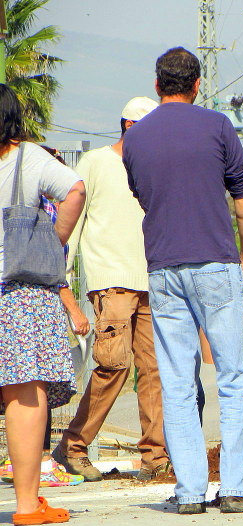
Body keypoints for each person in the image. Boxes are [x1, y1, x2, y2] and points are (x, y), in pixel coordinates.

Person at [124, 46, 243, 515]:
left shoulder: (135, 139)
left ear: (156, 83)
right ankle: (237, 488)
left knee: (177, 381)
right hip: (215, 261)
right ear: (197, 85)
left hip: (164, 266)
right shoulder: (219, 126)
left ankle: (189, 491)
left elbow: (146, 198)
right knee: (232, 376)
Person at [52, 97, 170, 483]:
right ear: (130, 126)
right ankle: (73, 446)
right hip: (112, 279)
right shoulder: (96, 163)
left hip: (152, 279)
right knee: (113, 365)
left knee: (153, 371)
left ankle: (155, 456)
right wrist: (64, 280)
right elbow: (74, 220)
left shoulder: (157, 166)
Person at [0, 83, 85, 525]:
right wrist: (54, 241)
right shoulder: (27, 158)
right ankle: (28, 505)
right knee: (25, 393)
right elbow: (76, 189)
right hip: (19, 291)